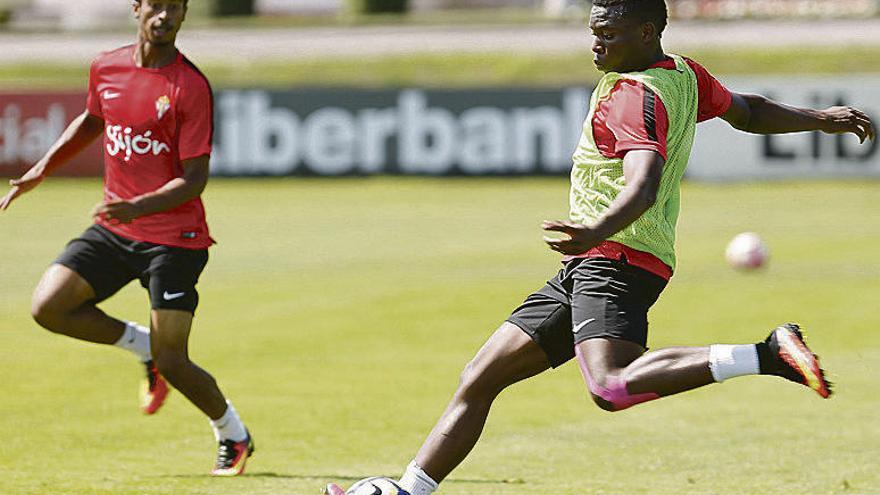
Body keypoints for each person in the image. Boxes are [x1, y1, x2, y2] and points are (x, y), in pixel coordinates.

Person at [326, 1, 875, 494]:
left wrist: (596, 230)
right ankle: (407, 490)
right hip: (596, 260)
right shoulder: (680, 73)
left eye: (608, 34)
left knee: (612, 386)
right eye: (593, 32)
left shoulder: (631, 93)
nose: (596, 44)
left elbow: (645, 180)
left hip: (615, 258)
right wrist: (820, 119)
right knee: (481, 376)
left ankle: (765, 353)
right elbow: (747, 111)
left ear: (645, 32)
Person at [1, 0, 254, 476]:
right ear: (135, 9)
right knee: (48, 307)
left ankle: (233, 434)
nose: (165, 16)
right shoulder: (106, 66)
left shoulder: (190, 86)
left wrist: (138, 205)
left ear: (183, 14)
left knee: (175, 362)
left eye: (175, 8)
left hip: (174, 239)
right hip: (114, 229)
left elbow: (195, 178)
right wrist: (41, 168)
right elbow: (93, 120)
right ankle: (143, 349)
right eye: (155, 5)